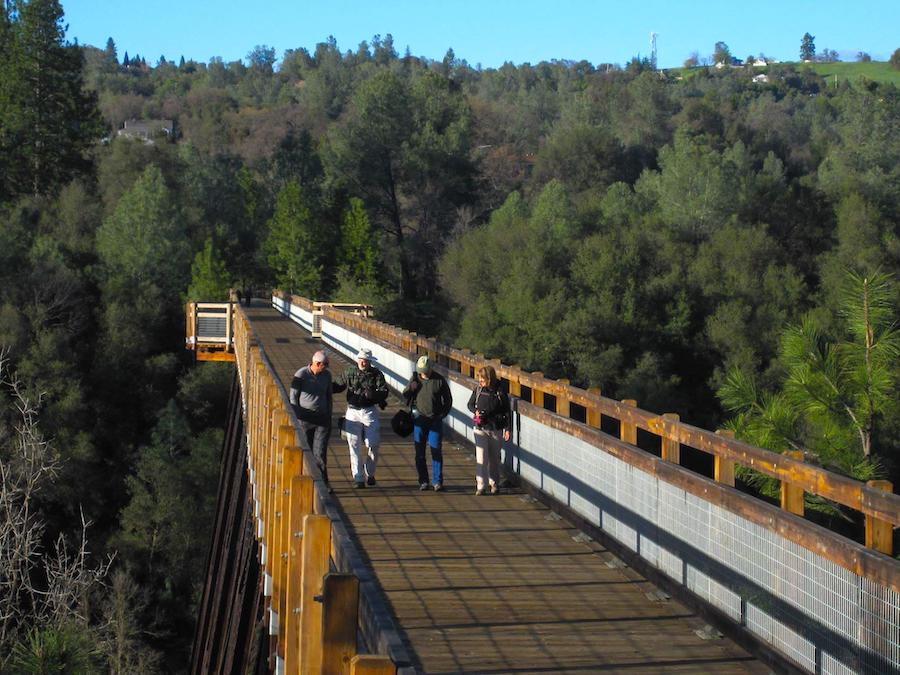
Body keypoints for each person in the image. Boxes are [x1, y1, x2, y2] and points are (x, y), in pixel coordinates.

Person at [336, 348, 388, 488]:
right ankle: (358, 478)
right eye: (361, 360)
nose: (363, 362)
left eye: (365, 360)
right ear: (357, 360)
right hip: (352, 411)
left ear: (370, 362)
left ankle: (370, 472)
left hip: (369, 411)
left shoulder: (376, 375)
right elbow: (338, 385)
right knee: (353, 445)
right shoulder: (350, 372)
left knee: (373, 444)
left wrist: (374, 396)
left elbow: (384, 392)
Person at [289, 350, 338, 491]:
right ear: (317, 363)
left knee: (320, 453)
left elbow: (329, 396)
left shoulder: (327, 375)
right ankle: (307, 482)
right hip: (305, 419)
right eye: (325, 365)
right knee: (306, 451)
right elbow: (293, 397)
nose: (327, 367)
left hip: (322, 419)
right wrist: (297, 416)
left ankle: (324, 484)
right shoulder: (301, 375)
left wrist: (329, 414)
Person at [403, 355, 453, 491]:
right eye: (421, 370)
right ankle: (423, 480)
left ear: (430, 368)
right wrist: (411, 388)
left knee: (436, 450)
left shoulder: (439, 380)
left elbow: (448, 400)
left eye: (425, 370)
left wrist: (442, 414)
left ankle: (437, 481)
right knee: (420, 452)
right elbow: (405, 395)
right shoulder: (415, 379)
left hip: (435, 420)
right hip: (419, 419)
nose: (422, 373)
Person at [467, 365, 511, 495]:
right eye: (479, 380)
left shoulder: (500, 391)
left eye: (483, 380)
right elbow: (470, 404)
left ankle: (494, 483)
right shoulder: (478, 390)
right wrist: (476, 412)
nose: (480, 382)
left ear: (489, 379)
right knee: (481, 458)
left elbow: (506, 411)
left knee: (494, 458)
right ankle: (481, 486)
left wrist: (507, 429)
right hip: (480, 427)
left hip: (495, 428)